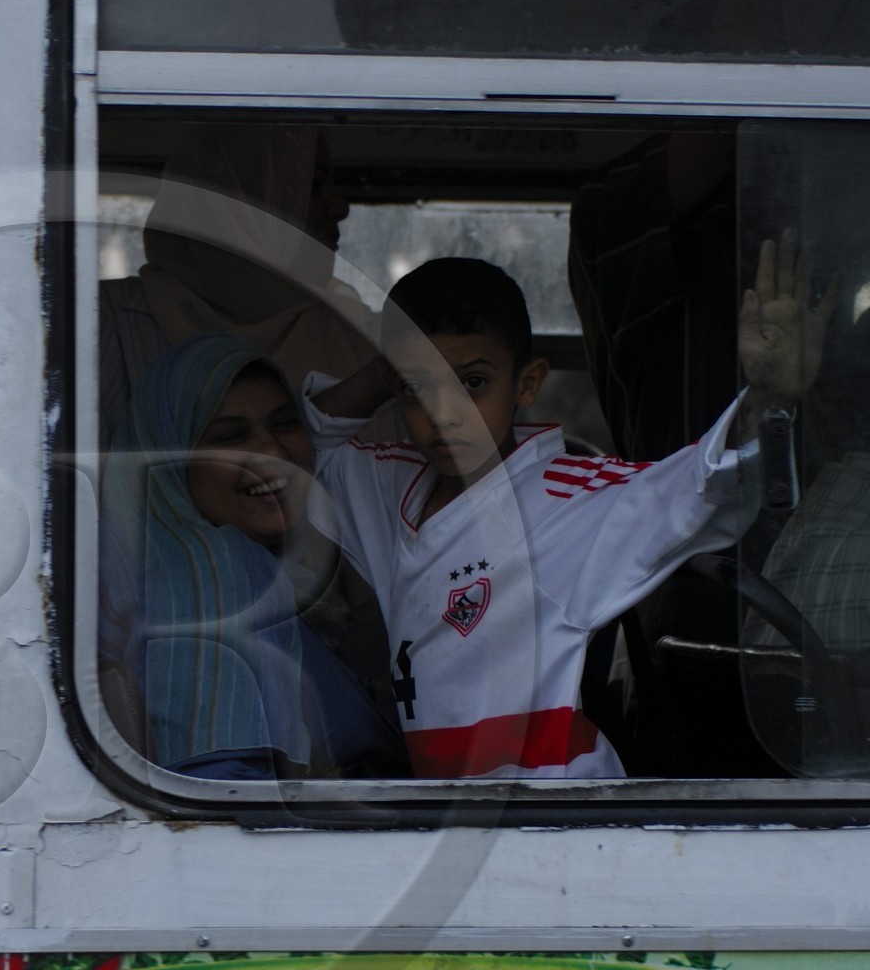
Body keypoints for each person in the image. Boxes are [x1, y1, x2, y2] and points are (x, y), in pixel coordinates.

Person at [303, 245, 836, 780]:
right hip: (451, 814)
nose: (444, 414)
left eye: (473, 382)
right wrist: (392, 361)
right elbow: (315, 444)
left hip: (559, 810)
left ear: (528, 383)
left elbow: (703, 484)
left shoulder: (565, 500)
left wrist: (768, 396)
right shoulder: (388, 486)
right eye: (418, 389)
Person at [100, 334, 405, 781]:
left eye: (285, 424)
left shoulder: (285, 580)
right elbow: (224, 796)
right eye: (230, 437)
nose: (273, 452)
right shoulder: (209, 583)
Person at [100, 123, 374, 438]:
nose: (340, 207)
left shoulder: (357, 332)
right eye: (311, 185)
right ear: (238, 204)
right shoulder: (105, 323)